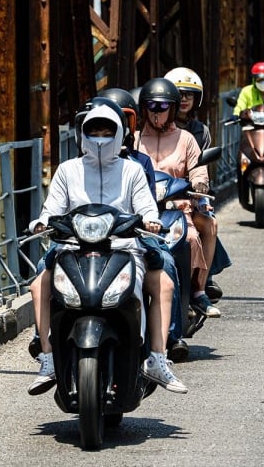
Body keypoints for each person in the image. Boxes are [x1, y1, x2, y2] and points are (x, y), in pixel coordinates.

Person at [27, 99, 188, 396]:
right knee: (40, 284)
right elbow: (52, 207)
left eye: (106, 130)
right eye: (94, 130)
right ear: (82, 134)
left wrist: (151, 221)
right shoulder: (68, 170)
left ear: (118, 134)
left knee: (163, 283)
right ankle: (48, 357)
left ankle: (157, 358)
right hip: (73, 247)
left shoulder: (132, 171)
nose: (100, 136)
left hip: (124, 247)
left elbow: (145, 206)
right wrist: (43, 221)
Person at [97, 87, 190, 361]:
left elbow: (148, 202)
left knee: (166, 263)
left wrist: (148, 221)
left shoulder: (139, 163)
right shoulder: (76, 165)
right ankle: (47, 343)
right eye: (99, 126)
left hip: (131, 234)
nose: (106, 133)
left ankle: (170, 338)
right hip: (90, 235)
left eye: (119, 122)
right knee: (46, 266)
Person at [134, 77, 221, 319]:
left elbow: (198, 168)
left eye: (163, 107)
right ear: (143, 108)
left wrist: (200, 183)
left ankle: (197, 291)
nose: (157, 112)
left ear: (172, 109)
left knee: (192, 236)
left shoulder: (186, 139)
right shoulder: (134, 139)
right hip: (141, 210)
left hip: (177, 208)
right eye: (152, 106)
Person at [163, 67, 232, 305]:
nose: (184, 99)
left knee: (209, 222)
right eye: (179, 94)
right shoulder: (153, 129)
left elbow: (199, 165)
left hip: (187, 192)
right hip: (160, 193)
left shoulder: (199, 132)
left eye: (189, 95)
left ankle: (203, 280)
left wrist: (200, 185)